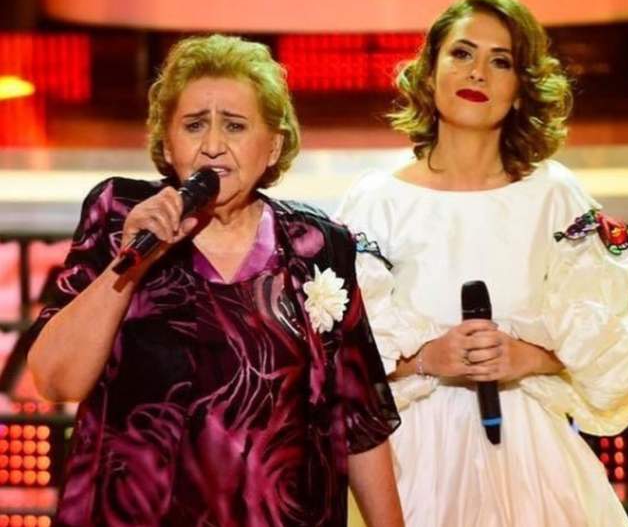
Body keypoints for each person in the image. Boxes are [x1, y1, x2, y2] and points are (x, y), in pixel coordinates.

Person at [26, 34, 403, 527]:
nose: (212, 145)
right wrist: (130, 265)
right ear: (167, 143)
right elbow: (57, 380)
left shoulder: (316, 245)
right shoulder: (120, 214)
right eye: (194, 125)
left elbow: (359, 418)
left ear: (274, 145)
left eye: (235, 125)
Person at [336, 0, 628, 527]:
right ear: (429, 71)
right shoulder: (377, 201)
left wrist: (527, 357)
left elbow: (604, 345)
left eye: (500, 61)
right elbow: (337, 363)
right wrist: (427, 361)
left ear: (521, 87)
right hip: (410, 469)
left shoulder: (555, 196)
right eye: (462, 53)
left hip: (535, 468)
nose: (477, 73)